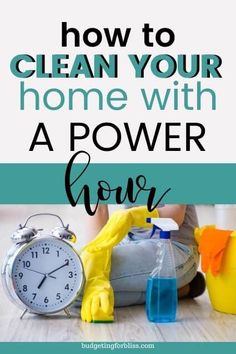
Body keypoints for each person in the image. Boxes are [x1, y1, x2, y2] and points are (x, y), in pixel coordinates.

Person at [86, 204, 206, 307]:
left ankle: (177, 287)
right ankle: (178, 290)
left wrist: (134, 216)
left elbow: (176, 214)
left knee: (80, 288)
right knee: (82, 283)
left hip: (173, 245)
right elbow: (99, 209)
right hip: (131, 242)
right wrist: (94, 255)